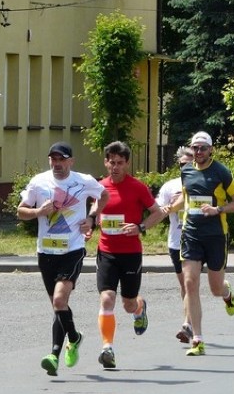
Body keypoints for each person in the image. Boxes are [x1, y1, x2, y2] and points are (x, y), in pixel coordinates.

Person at [18, 142, 109, 377]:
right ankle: (67, 344)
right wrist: (38, 212)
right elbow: (21, 210)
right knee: (59, 307)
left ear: (71, 161)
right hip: (46, 252)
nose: (57, 164)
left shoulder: (83, 180)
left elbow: (104, 195)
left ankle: (61, 348)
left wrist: (91, 218)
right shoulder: (39, 182)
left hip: (72, 249)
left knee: (59, 301)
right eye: (53, 159)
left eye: (61, 160)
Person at [165, 131, 234, 356]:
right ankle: (197, 339)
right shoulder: (186, 171)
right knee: (190, 283)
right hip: (191, 234)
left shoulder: (221, 172)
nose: (198, 152)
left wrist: (217, 209)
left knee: (215, 288)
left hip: (216, 235)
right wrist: (169, 208)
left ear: (210, 150)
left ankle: (227, 293)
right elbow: (185, 198)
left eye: (202, 148)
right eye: (195, 148)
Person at [89, 141, 167, 370]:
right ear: (105, 162)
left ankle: (140, 308)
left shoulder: (137, 187)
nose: (115, 167)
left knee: (128, 304)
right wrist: (91, 223)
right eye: (111, 162)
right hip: (106, 252)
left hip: (131, 253)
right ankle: (107, 348)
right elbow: (95, 211)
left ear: (127, 164)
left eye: (120, 163)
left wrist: (140, 227)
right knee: (106, 298)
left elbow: (158, 213)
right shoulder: (99, 187)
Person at [156, 146, 195, 343]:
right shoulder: (170, 186)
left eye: (191, 164)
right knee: (185, 284)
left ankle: (187, 325)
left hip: (197, 239)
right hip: (176, 241)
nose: (186, 167)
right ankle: (189, 322)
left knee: (190, 283)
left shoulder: (204, 184)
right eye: (182, 164)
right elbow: (158, 210)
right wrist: (167, 207)